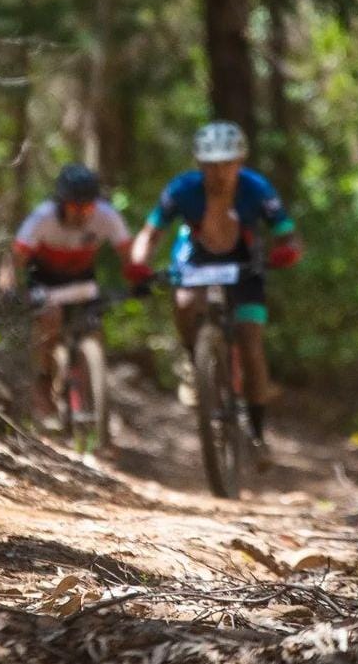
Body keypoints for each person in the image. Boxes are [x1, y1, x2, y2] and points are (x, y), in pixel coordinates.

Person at [130, 122, 301, 464]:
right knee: (184, 301)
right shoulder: (182, 189)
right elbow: (150, 233)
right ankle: (196, 361)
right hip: (196, 257)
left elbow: (287, 233)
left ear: (240, 161)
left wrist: (287, 252)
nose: (219, 171)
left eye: (227, 163)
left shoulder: (257, 189)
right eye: (210, 164)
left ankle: (256, 432)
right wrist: (138, 264)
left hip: (244, 262)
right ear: (199, 164)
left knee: (251, 341)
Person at [9, 164, 153, 422]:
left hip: (82, 279)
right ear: (62, 203)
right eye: (75, 207)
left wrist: (137, 280)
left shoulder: (107, 216)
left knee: (94, 328)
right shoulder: (41, 219)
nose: (82, 214)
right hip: (44, 280)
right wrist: (8, 288)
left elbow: (127, 255)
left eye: (87, 207)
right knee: (49, 320)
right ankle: (43, 381)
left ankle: (90, 397)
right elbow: (13, 260)